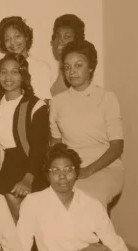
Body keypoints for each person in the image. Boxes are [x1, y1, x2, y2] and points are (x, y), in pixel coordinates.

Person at [18, 144, 138, 251]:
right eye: (55, 170)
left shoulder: (91, 203)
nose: (62, 176)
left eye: (68, 169)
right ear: (47, 174)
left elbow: (113, 241)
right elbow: (23, 246)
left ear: (76, 172)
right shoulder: (33, 202)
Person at [50, 40, 124, 207]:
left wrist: (87, 170)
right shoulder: (57, 102)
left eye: (78, 65)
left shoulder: (106, 98)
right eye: (67, 67)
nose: (72, 72)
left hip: (105, 168)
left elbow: (117, 147)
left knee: (88, 200)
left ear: (90, 67)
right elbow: (56, 145)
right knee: (51, 202)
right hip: (70, 168)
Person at [0, 53, 50, 221]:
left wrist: (28, 179)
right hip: (7, 166)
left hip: (34, 166)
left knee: (19, 206)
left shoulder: (36, 106)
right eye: (3, 72)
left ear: (23, 76)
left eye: (15, 72)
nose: (8, 77)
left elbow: (39, 147)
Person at [0, 17, 55, 101]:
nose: (13, 42)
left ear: (26, 37)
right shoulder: (2, 67)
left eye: (17, 36)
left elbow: (45, 100)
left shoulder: (41, 67)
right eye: (7, 39)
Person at [50, 14, 85, 97]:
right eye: (57, 36)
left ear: (77, 40)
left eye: (67, 37)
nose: (60, 41)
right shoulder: (60, 65)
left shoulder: (78, 67)